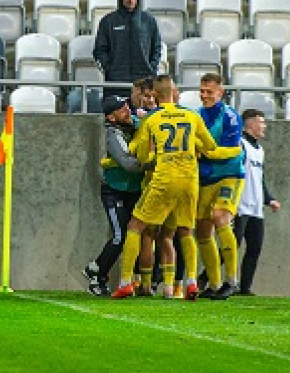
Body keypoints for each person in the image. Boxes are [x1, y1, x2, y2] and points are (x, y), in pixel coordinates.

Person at [111, 75, 234, 300]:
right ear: (173, 93)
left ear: (155, 95)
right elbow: (211, 146)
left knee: (136, 226)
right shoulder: (192, 115)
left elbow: (138, 153)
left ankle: (126, 282)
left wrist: (151, 152)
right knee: (186, 231)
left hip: (164, 178)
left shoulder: (152, 118)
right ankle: (191, 283)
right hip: (189, 180)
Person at [83, 96, 144, 296]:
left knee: (131, 236)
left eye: (127, 105)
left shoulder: (134, 124)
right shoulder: (113, 134)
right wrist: (151, 162)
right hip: (114, 190)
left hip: (132, 190)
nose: (128, 110)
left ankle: (95, 268)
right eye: (121, 109)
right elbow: (127, 163)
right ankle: (98, 277)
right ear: (111, 117)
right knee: (119, 236)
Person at [196, 73, 246, 300]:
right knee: (203, 230)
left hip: (229, 175)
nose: (204, 95)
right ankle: (214, 284)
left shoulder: (230, 116)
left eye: (209, 91)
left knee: (220, 217)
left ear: (220, 92)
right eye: (202, 91)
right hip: (206, 178)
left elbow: (233, 150)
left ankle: (232, 281)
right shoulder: (196, 116)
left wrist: (206, 152)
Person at [233, 109, 281, 296]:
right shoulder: (240, 144)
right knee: (233, 244)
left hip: (255, 206)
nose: (264, 126)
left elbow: (259, 179)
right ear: (250, 124)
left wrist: (269, 199)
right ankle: (206, 278)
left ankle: (245, 288)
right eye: (261, 122)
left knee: (254, 247)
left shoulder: (259, 150)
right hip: (241, 204)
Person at [93, 0, 162, 99]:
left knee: (143, 116)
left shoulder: (149, 21)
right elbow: (99, 50)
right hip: (115, 83)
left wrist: (151, 69)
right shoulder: (108, 21)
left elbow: (156, 47)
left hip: (144, 82)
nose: (130, 0)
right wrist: (110, 69)